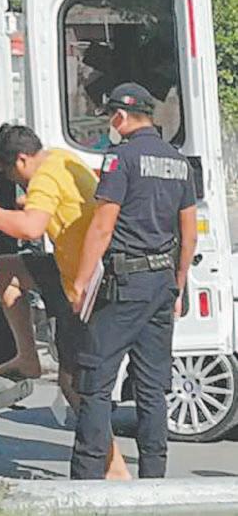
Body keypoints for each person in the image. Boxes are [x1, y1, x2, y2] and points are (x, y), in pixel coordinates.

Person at [0, 123, 131, 480]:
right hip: (76, 268)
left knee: (73, 382)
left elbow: (31, 228)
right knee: (8, 269)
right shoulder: (61, 158)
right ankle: (28, 358)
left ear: (22, 160)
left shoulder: (44, 179)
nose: (14, 182)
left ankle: (114, 466)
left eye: (9, 173)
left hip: (82, 284)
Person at [70, 82, 198, 480]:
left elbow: (102, 227)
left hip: (125, 285)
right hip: (162, 283)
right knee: (152, 388)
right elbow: (189, 235)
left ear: (121, 116)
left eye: (111, 116)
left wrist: (80, 283)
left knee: (94, 382)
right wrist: (178, 286)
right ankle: (154, 480)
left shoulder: (120, 158)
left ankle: (87, 480)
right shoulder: (178, 161)